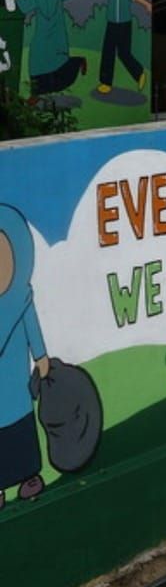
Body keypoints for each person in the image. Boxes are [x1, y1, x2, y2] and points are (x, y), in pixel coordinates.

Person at [0, 205, 49, 507]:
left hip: (17, 388)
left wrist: (41, 358)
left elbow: (33, 328)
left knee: (21, 431)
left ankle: (30, 475)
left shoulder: (21, 299)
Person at [19, 0, 84, 97]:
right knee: (36, 58)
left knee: (58, 61)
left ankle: (77, 62)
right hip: (41, 35)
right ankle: (36, 92)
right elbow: (25, 7)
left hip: (56, 34)